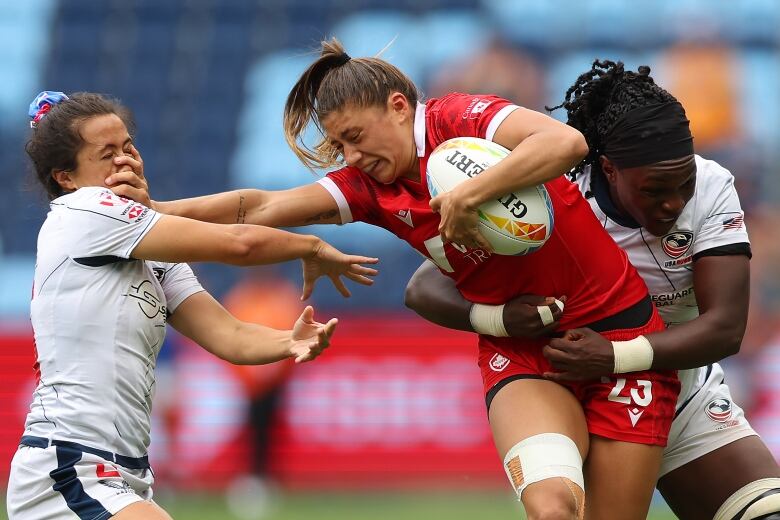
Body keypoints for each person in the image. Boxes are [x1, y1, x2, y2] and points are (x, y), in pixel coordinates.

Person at [128, 39, 682, 519]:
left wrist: (469, 194)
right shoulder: (369, 188)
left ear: (399, 107)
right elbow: (260, 206)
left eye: (354, 136)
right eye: (339, 146)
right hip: (523, 353)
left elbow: (567, 144)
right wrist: (153, 211)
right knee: (553, 507)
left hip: (621, 344)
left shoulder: (460, 119)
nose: (351, 156)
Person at [404, 60, 780, 520]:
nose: (674, 202)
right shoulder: (552, 191)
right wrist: (499, 318)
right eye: (656, 189)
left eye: (683, 185)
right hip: (570, 391)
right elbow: (424, 287)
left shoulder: (712, 187)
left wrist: (614, 356)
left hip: (678, 390)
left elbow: (724, 329)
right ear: (609, 169)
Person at [6, 91, 379, 520]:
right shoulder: (84, 210)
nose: (125, 160)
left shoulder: (149, 247)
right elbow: (238, 243)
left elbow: (230, 335)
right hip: (70, 466)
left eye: (128, 146)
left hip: (120, 472)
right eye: (105, 154)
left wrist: (287, 342)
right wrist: (308, 245)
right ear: (66, 177)